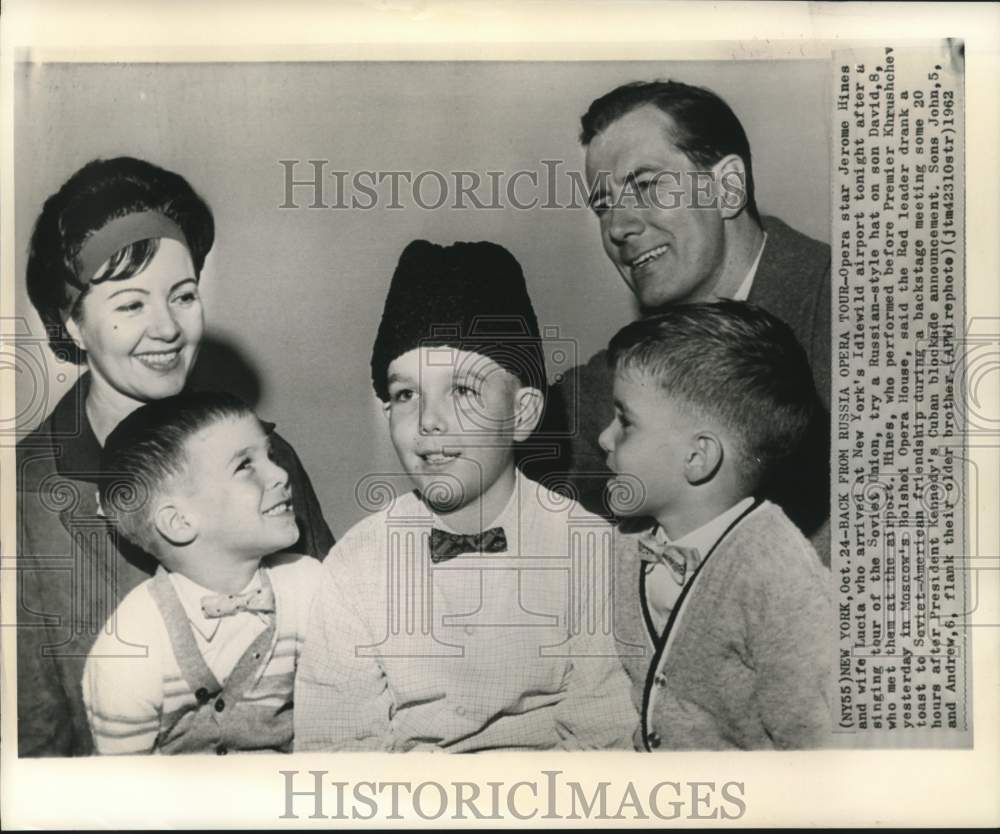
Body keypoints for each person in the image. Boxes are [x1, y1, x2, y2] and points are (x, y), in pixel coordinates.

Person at [17, 157, 334, 757]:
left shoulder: (270, 455)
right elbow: (32, 748)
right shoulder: (23, 496)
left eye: (182, 295)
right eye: (131, 305)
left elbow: (345, 659)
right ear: (74, 324)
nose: (166, 327)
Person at [294, 240, 637, 752]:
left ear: (522, 414)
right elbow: (338, 750)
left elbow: (605, 734)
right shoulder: (356, 565)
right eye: (405, 394)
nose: (429, 420)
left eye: (463, 390)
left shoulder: (588, 548)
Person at [541, 80, 830, 560]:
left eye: (648, 185)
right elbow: (517, 448)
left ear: (727, 187)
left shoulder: (864, 316)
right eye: (604, 204)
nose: (618, 227)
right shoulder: (622, 373)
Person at [601, 301, 832, 750]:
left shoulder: (779, 576)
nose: (604, 437)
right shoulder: (626, 542)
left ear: (697, 457)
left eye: (625, 421)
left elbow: (818, 746)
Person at [83, 392, 319, 755]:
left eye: (269, 456)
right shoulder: (131, 645)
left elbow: (341, 725)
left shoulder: (309, 585)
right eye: (245, 466)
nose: (281, 474)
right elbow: (123, 792)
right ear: (179, 522)